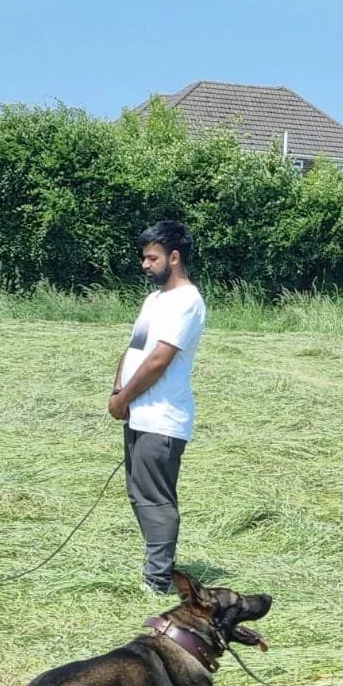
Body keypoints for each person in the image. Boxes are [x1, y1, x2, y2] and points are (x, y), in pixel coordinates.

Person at [109, 221, 206, 594]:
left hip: (163, 418)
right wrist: (117, 390)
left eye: (152, 258)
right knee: (139, 493)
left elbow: (159, 361)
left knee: (155, 499)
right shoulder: (154, 300)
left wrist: (124, 399)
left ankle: (158, 579)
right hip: (138, 412)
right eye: (144, 257)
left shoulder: (188, 302)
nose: (145, 264)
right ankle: (157, 567)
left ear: (175, 257)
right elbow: (136, 348)